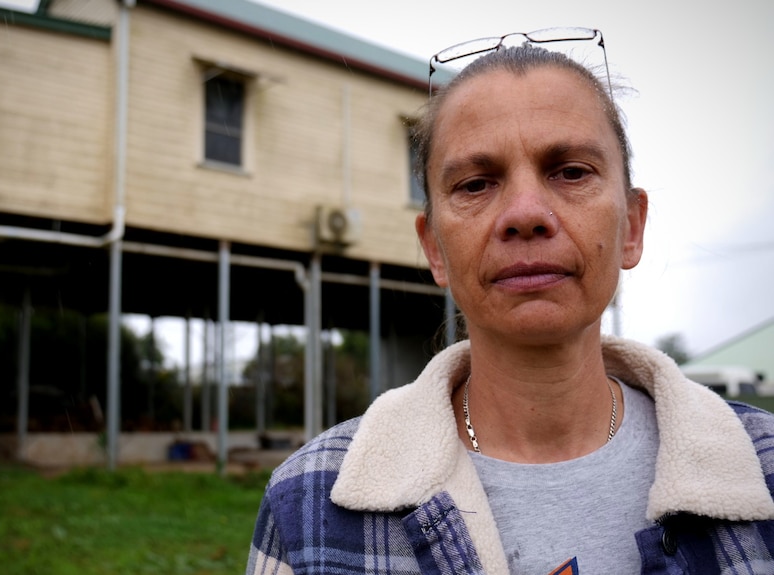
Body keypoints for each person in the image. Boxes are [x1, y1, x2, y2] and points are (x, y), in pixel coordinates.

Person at [246, 29, 774, 575]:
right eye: (476, 184)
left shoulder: (765, 465)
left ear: (632, 228)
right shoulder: (310, 501)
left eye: (570, 172)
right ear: (435, 249)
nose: (525, 212)